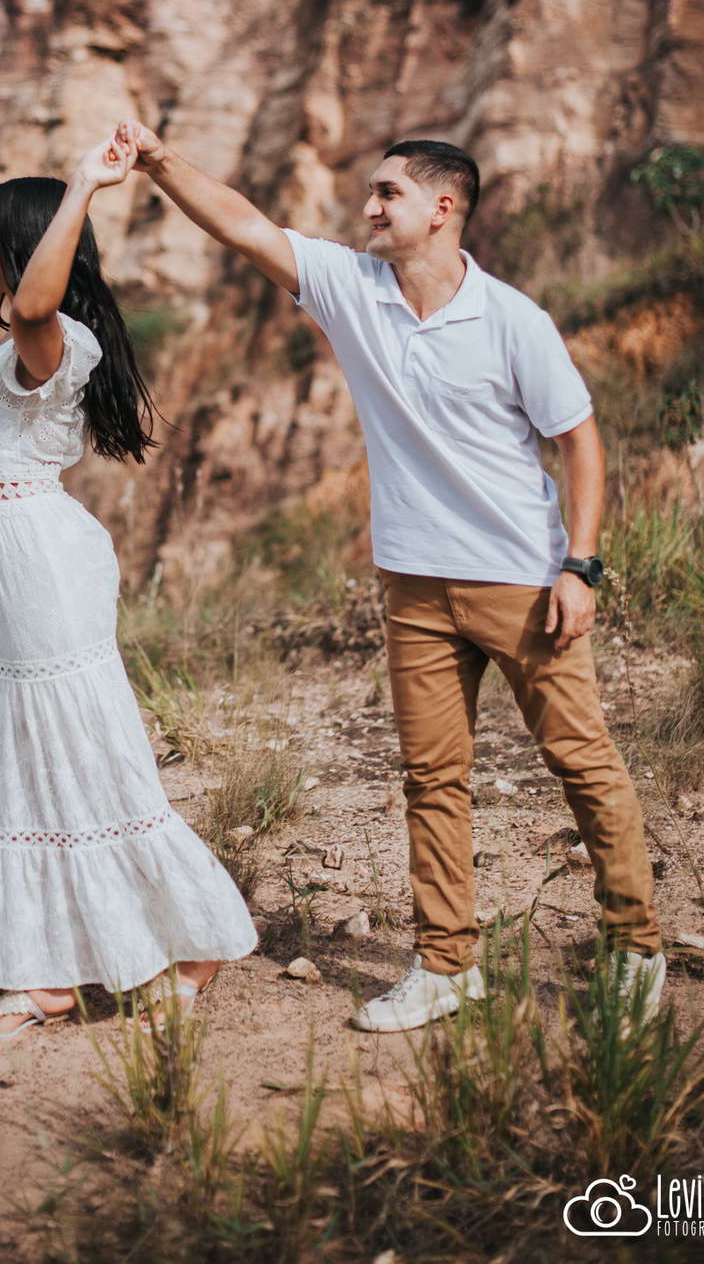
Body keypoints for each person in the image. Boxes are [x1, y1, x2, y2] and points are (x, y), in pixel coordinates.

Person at [117, 120, 665, 1034]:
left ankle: (636, 948)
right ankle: (446, 966)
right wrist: (160, 160)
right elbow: (245, 227)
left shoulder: (512, 321)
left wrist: (581, 566)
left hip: (521, 583)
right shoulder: (352, 288)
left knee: (582, 762)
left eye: (387, 193)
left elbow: (580, 441)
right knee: (432, 779)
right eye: (372, 193)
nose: (369, 207)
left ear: (442, 208)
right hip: (413, 588)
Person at [0, 130, 256, 1039]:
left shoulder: (51, 340)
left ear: (23, 240)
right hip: (8, 581)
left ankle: (174, 944)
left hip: (43, 572)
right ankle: (50, 965)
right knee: (23, 762)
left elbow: (36, 298)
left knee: (73, 750)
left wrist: (85, 182)